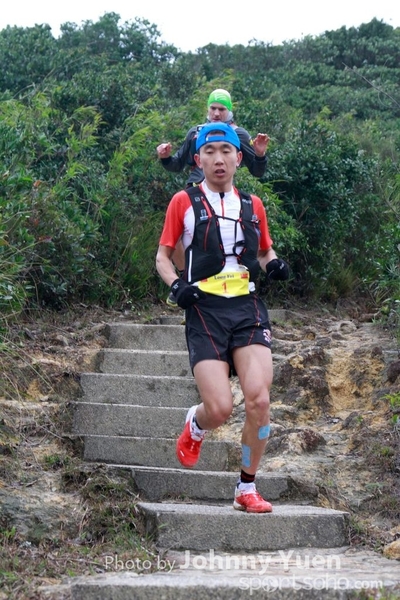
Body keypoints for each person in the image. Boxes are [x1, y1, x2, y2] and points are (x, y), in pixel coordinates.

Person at [156, 122, 289, 513]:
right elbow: (163, 257)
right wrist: (177, 286)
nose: (219, 159)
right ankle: (196, 424)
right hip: (204, 309)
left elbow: (263, 250)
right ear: (198, 160)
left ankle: (246, 487)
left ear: (239, 158)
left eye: (226, 151)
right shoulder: (183, 201)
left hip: (246, 308)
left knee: (259, 401)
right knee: (219, 409)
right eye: (210, 152)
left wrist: (274, 263)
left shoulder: (253, 205)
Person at [157, 88, 270, 308]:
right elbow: (178, 164)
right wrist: (165, 158)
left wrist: (259, 154)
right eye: (213, 108)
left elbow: (257, 171)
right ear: (207, 109)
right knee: (176, 238)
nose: (217, 113)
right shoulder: (196, 133)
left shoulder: (238, 135)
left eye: (222, 109)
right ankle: (185, 277)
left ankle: (232, 286)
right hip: (194, 192)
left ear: (230, 111)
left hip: (223, 194)